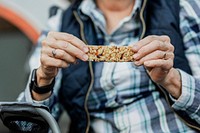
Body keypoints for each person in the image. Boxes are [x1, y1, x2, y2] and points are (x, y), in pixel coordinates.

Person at [18, 0, 200, 132]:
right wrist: (43, 79)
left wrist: (171, 79)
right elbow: (26, 127)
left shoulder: (183, 8)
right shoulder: (59, 24)